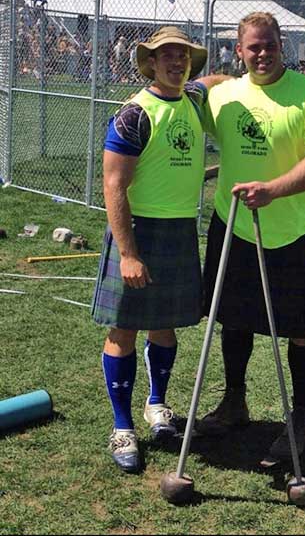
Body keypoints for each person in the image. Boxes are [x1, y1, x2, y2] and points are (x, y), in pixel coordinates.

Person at [195, 12, 305, 466]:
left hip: (290, 230)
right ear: (239, 51)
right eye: (253, 47)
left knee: (302, 330)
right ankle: (235, 402)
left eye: (270, 45)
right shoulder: (224, 96)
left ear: (282, 45)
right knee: (232, 318)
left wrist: (274, 190)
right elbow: (191, 96)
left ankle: (299, 417)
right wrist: (201, 83)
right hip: (233, 223)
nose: (263, 54)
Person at [91, 26, 214, 474]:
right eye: (167, 56)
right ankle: (123, 426)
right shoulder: (133, 115)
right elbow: (113, 185)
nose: (176, 63)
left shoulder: (193, 100)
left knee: (164, 326)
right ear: (150, 62)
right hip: (138, 232)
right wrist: (127, 252)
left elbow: (215, 82)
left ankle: (157, 406)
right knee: (123, 329)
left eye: (183, 56)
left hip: (179, 230)